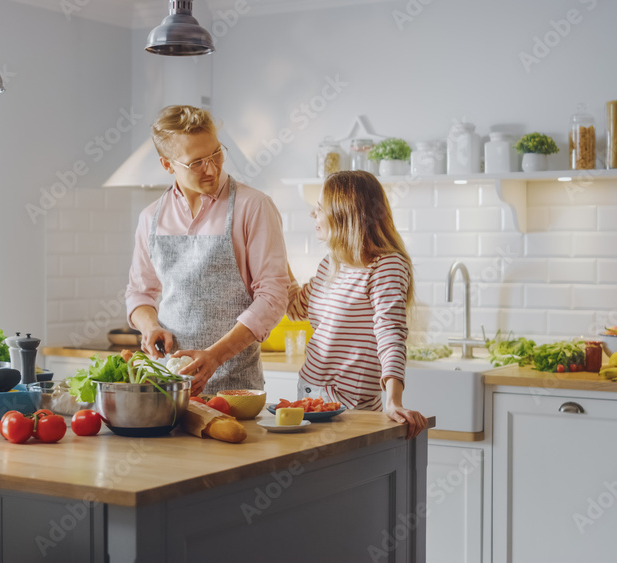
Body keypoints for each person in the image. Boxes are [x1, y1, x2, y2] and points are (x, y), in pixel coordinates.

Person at [125, 105, 289, 396]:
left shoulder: (253, 206)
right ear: (167, 165)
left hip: (236, 391)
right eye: (196, 162)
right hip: (168, 389)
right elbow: (140, 293)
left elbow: (274, 296)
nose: (212, 169)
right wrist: (149, 327)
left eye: (216, 154)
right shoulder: (151, 217)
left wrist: (215, 356)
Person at [287, 170, 428, 439]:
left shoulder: (385, 266)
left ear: (344, 213)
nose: (312, 214)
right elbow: (296, 308)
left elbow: (390, 332)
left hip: (350, 406)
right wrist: (271, 251)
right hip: (308, 395)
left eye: (320, 207)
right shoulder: (331, 263)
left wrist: (393, 400)